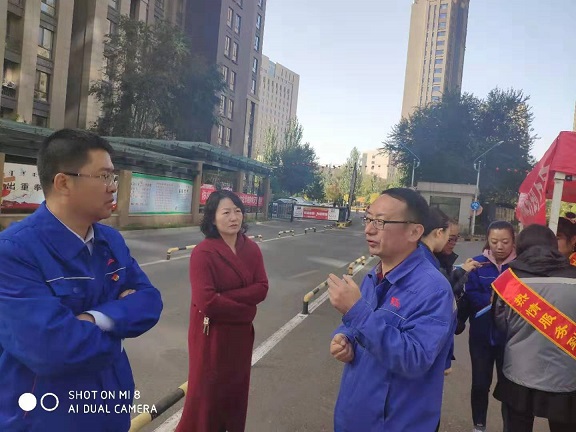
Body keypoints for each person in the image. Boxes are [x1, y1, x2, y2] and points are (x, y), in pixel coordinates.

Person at [0, 129, 163, 431]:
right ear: (63, 183)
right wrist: (119, 327)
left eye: (113, 177)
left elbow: (150, 301)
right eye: (103, 176)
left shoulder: (110, 241)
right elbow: (50, 349)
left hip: (110, 408)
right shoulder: (14, 252)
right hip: (46, 419)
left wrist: (92, 319)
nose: (112, 187)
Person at [327, 188, 456, 432]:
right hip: (354, 415)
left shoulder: (434, 290)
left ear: (414, 231)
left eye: (381, 222)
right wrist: (344, 338)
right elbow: (358, 323)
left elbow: (415, 358)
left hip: (396, 423)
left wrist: (355, 312)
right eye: (368, 219)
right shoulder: (375, 275)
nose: (369, 229)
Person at [176, 190, 268, 432]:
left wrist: (224, 297)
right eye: (226, 212)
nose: (233, 217)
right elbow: (207, 302)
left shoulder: (251, 249)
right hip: (211, 337)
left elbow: (262, 288)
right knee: (206, 396)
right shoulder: (203, 253)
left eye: (237, 211)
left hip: (241, 337)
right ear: (213, 218)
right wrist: (245, 309)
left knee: (235, 392)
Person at [492, 224, 576, 432]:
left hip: (519, 373)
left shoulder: (508, 281)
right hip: (567, 378)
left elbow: (500, 326)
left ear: (520, 247)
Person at [464, 221, 516, 432]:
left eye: (505, 241)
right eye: (494, 241)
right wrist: (492, 301)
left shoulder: (520, 266)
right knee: (479, 384)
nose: (499, 246)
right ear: (488, 240)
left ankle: (510, 426)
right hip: (481, 336)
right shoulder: (477, 264)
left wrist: (502, 301)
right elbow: (471, 294)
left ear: (513, 241)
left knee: (510, 387)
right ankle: (479, 425)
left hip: (511, 339)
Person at [435, 219, 483, 334]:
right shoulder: (430, 262)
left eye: (456, 239)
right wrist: (461, 272)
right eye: (450, 239)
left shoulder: (447, 261)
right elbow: (441, 289)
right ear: (438, 234)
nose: (453, 243)